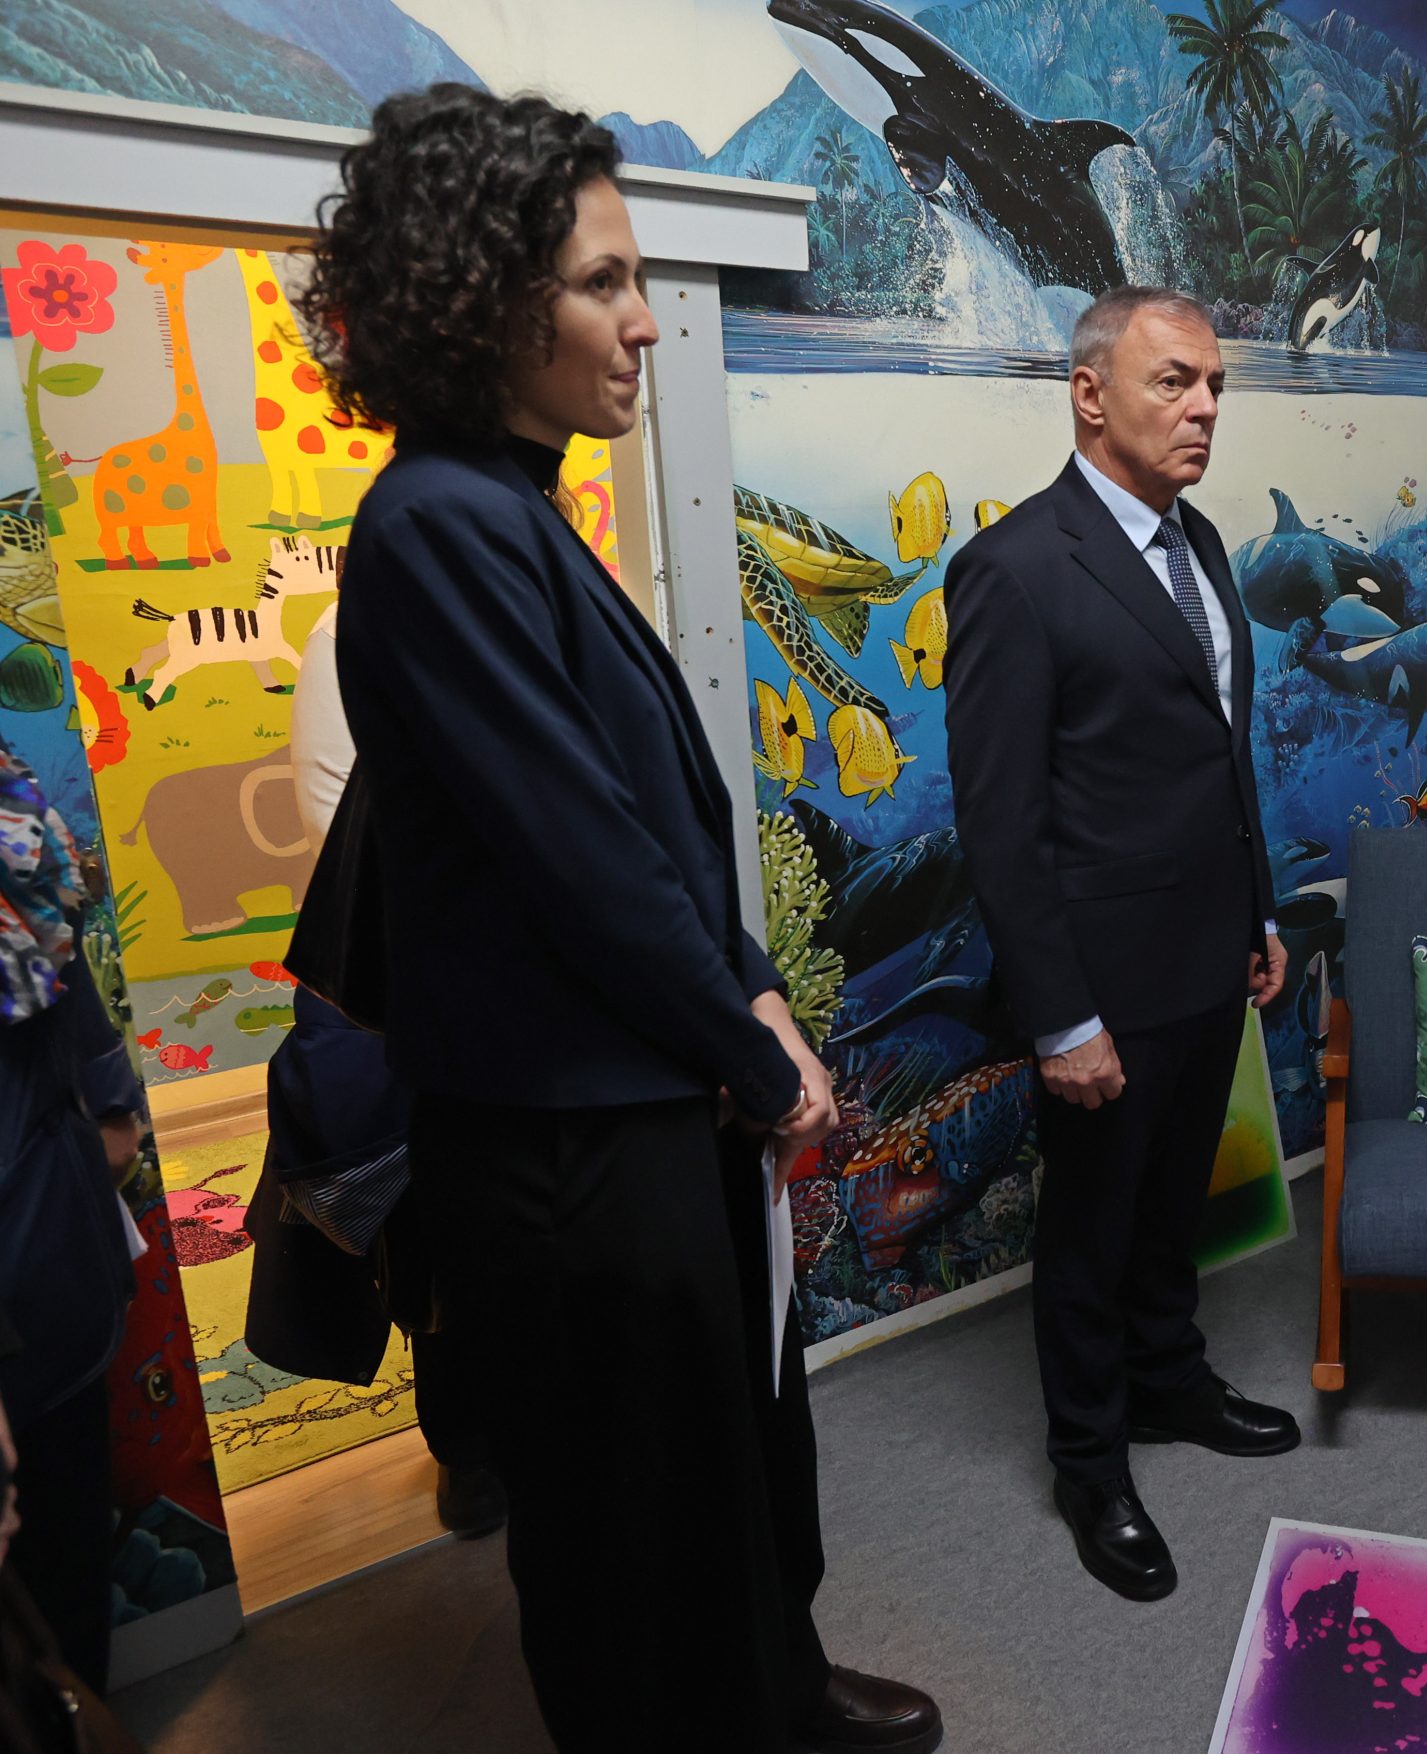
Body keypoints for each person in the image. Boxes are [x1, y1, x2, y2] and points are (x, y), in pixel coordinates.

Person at [301, 86, 938, 1753]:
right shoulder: (438, 524)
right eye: (605, 281)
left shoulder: (510, 506)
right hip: (565, 1147)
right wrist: (756, 1046)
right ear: (482, 300)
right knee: (629, 1533)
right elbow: (580, 857)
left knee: (723, 1460)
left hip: (638, 1102)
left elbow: (647, 829)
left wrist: (753, 988)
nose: (645, 319)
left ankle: (777, 1690)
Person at [944, 286, 1295, 1604]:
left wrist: (1259, 911)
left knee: (1171, 1207)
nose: (1204, 408)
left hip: (1209, 958)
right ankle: (1090, 1464)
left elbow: (1217, 753)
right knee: (1091, 1232)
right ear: (1090, 394)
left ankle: (1169, 1380)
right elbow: (1001, 823)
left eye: (1214, 386)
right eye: (1174, 382)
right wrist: (1061, 1017)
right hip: (1100, 982)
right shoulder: (1015, 569)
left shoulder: (1199, 542)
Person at [239, 600, 505, 1540]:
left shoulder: (534, 607)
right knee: (441, 1229)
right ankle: (467, 1445)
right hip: (423, 982)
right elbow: (337, 825)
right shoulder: (350, 633)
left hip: (534, 985)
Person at [0, 732, 144, 1696]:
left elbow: (63, 975)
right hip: (40, 1259)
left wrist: (106, 1112)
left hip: (52, 1262)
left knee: (61, 1564)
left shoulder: (18, 834)